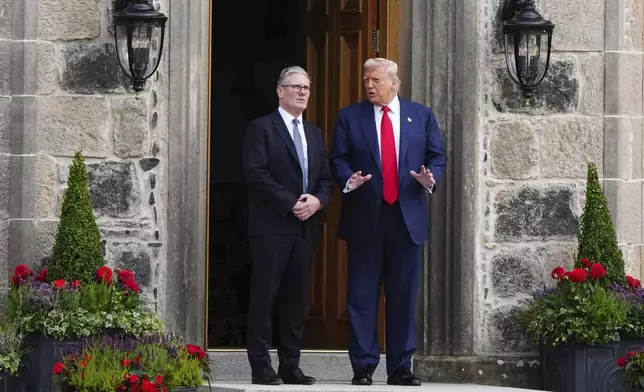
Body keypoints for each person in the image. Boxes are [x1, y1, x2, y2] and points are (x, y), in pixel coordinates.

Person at [330, 58, 447, 386]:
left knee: (403, 296)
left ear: (394, 83)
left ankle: (400, 367)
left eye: (376, 80)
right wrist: (347, 179)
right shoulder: (349, 117)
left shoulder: (421, 116)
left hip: (406, 217)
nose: (369, 85)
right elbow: (337, 158)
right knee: (361, 295)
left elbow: (437, 157)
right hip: (365, 216)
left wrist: (430, 178)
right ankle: (363, 366)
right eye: (366, 79)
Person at [242, 66, 334, 385]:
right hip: (271, 226)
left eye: (307, 87)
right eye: (296, 86)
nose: (303, 92)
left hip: (305, 228)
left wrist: (318, 201)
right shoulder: (261, 128)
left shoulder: (315, 133)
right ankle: (260, 365)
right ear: (280, 91)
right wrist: (290, 201)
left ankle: (290, 365)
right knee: (265, 296)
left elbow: (324, 178)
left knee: (296, 299)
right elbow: (256, 174)